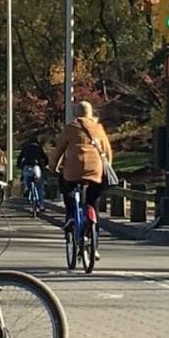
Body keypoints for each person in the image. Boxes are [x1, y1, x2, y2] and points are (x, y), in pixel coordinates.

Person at [49, 100, 112, 260]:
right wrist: (106, 166)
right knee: (92, 202)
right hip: (95, 170)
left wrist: (53, 167)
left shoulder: (71, 127)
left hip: (73, 169)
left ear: (76, 113)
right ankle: (94, 245)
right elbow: (107, 151)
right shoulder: (98, 128)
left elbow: (59, 149)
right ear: (91, 114)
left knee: (67, 188)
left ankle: (70, 217)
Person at [17, 134, 48, 205]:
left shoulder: (25, 148)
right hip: (36, 167)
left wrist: (19, 165)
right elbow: (44, 157)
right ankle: (41, 205)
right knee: (39, 186)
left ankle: (26, 189)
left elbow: (20, 158)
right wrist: (45, 164)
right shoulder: (39, 148)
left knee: (26, 178)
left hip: (27, 166)